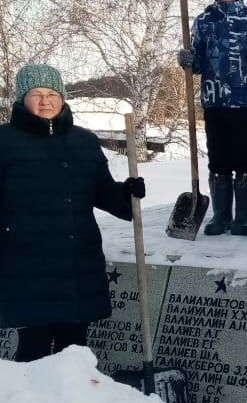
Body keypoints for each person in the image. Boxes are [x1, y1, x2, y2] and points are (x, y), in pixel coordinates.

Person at [0, 64, 145, 362]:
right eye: (36, 94)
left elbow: (102, 193)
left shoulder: (84, 141)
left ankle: (74, 395)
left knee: (75, 353)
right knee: (34, 351)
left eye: (52, 94)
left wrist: (127, 192)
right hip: (27, 265)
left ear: (62, 97)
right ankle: (30, 396)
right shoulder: (5, 141)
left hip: (77, 263)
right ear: (21, 99)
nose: (45, 101)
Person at [177, 0, 247, 236]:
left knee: (244, 158)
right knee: (218, 158)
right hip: (214, 102)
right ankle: (220, 216)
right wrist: (187, 59)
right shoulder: (204, 22)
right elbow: (197, 65)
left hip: (244, 104)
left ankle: (244, 217)